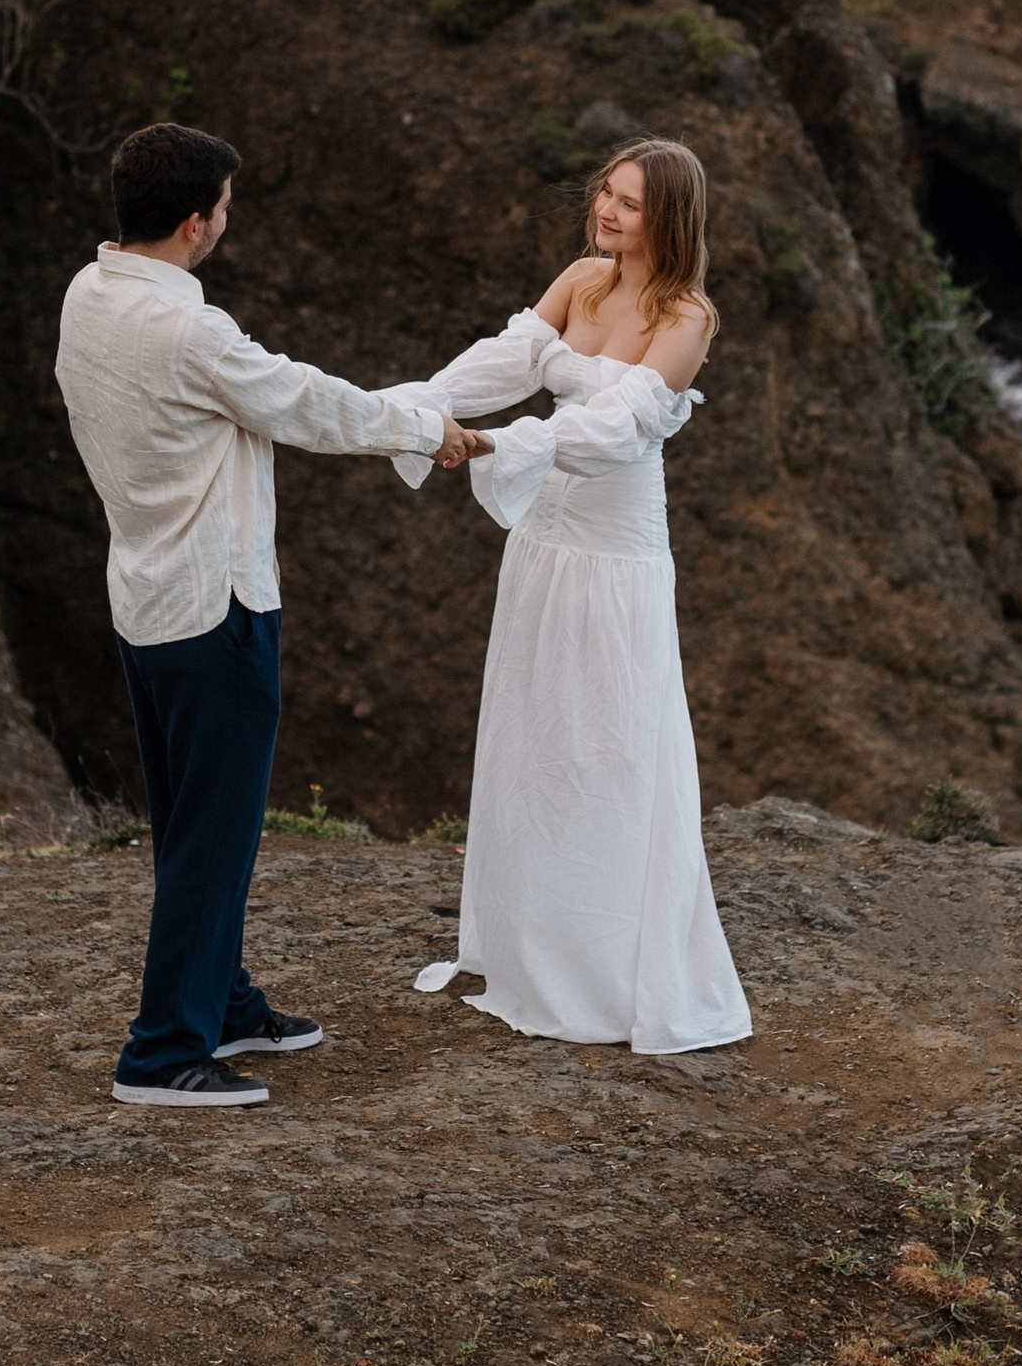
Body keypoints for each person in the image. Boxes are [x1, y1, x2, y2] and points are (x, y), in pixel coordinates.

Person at [56, 120, 490, 1112]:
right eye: (224, 207)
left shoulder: (89, 296)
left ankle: (225, 1001)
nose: (226, 222)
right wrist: (428, 433)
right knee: (215, 835)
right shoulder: (188, 330)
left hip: (145, 597)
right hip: (216, 608)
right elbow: (300, 403)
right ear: (194, 222)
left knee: (189, 824)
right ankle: (164, 1052)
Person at [392, 138, 751, 1056]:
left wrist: (492, 448)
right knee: (537, 736)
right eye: (606, 192)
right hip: (544, 544)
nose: (608, 210)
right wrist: (403, 411)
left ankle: (601, 971)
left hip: (614, 554)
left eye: (630, 202)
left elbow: (615, 429)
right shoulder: (583, 280)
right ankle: (527, 945)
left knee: (608, 746)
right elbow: (504, 362)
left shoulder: (688, 318)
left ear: (668, 216)